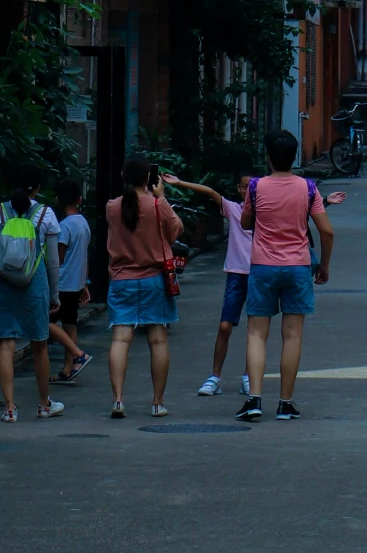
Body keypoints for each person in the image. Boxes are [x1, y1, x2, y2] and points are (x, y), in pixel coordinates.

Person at [237, 129, 333, 423]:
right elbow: (326, 230)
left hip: (263, 266)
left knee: (256, 333)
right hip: (298, 267)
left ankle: (254, 399)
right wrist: (324, 266)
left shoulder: (255, 186)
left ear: (268, 158)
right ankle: (285, 403)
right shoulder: (308, 188)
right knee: (292, 335)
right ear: (294, 157)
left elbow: (245, 221)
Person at [163, 172, 254, 396]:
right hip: (236, 274)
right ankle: (215, 377)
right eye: (243, 187)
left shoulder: (267, 213)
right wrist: (180, 182)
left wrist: (325, 202)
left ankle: (249, 376)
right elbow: (211, 193)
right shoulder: (234, 209)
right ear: (238, 189)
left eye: (251, 187)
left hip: (259, 275)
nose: (247, 191)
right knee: (225, 326)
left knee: (255, 330)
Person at [105, 155, 181, 419]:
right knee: (158, 340)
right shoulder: (157, 205)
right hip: (154, 280)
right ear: (149, 179)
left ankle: (117, 400)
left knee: (120, 339)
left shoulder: (112, 207)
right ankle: (157, 403)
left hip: (122, 280)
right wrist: (161, 198)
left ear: (123, 177)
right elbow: (175, 231)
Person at [0, 188, 64, 422]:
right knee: (40, 345)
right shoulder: (45, 214)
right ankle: (44, 404)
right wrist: (55, 295)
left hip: (5, 283)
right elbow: (53, 261)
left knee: (6, 345)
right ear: (36, 188)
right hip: (34, 284)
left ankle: (9, 408)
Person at [51, 179, 93, 382]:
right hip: (76, 282)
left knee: (45, 323)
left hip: (62, 283)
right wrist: (85, 282)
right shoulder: (83, 223)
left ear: (58, 200)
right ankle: (68, 369)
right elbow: (83, 255)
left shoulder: (63, 227)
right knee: (70, 324)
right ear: (79, 199)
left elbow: (58, 259)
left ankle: (78, 355)